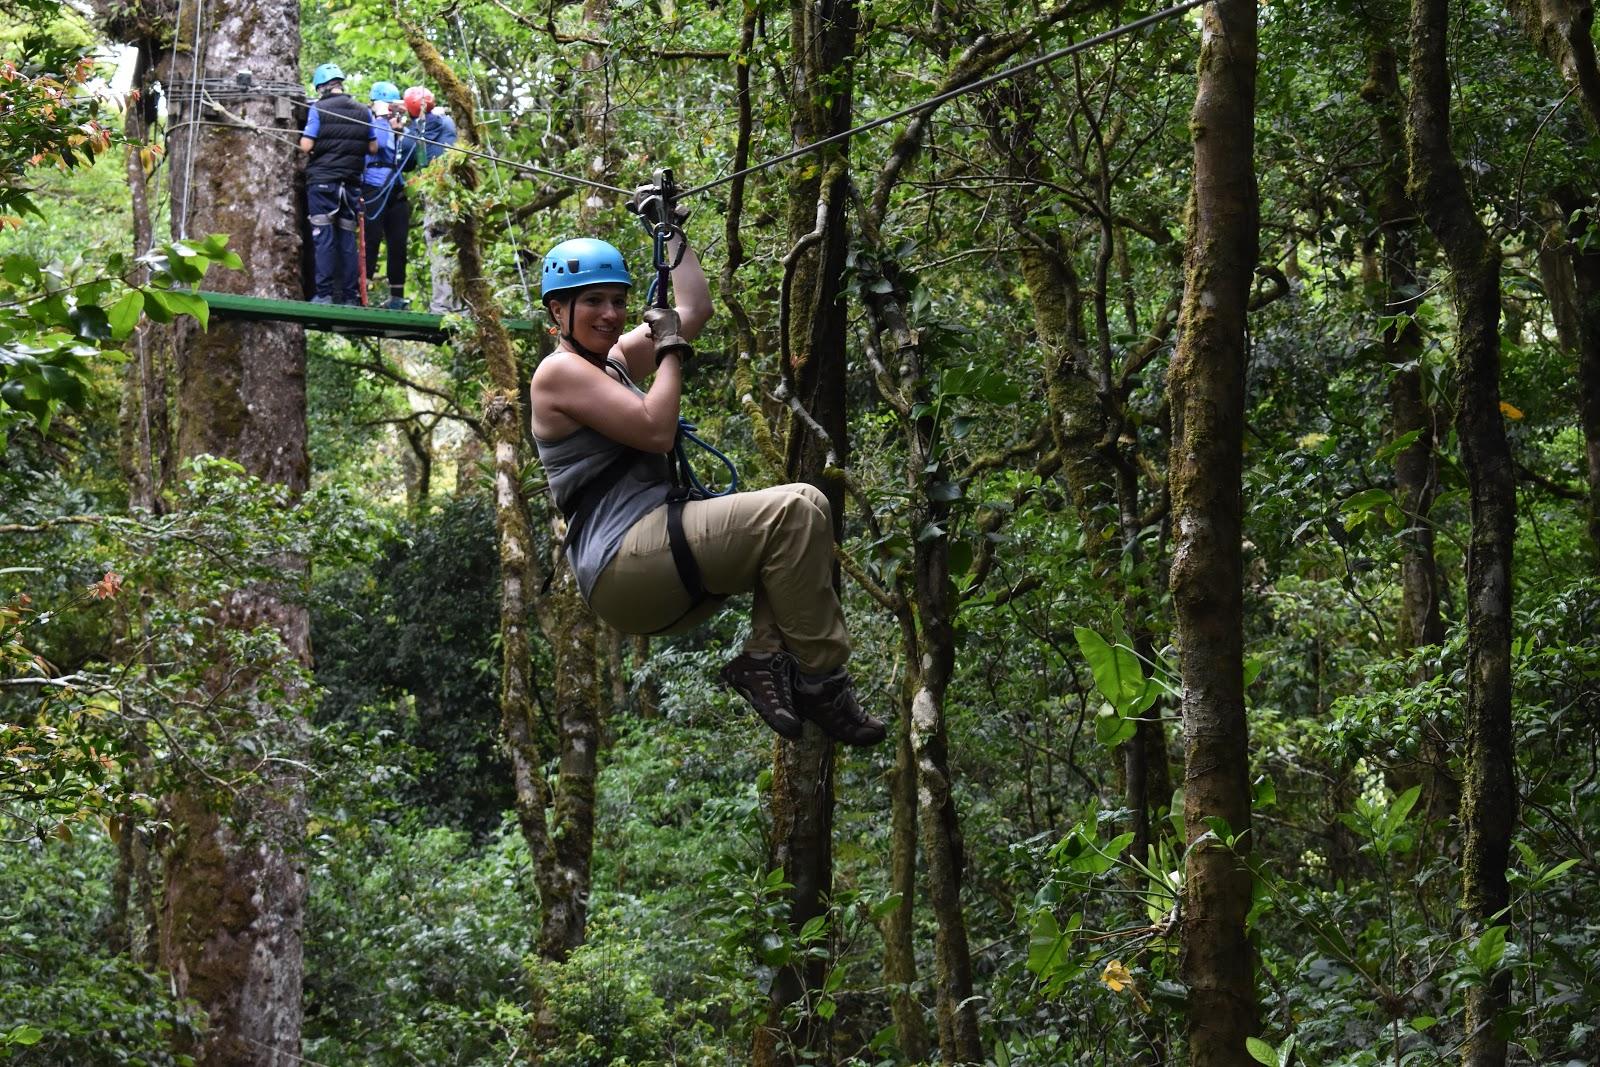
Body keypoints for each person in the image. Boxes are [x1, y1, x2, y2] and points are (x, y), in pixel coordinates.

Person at [528, 235, 885, 746]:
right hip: (622, 563)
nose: (610, 313)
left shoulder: (613, 364)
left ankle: (765, 660)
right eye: (593, 301)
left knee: (809, 504)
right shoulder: (557, 372)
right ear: (557, 310)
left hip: (656, 555)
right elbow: (656, 429)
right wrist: (670, 347)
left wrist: (671, 232)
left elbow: (695, 308)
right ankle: (822, 683)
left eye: (618, 300)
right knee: (790, 514)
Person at [299, 63, 376, 306]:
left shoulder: (318, 109)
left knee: (323, 235)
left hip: (324, 182)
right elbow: (373, 147)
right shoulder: (364, 111)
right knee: (346, 238)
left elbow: (306, 146)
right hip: (351, 183)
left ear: (321, 87)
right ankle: (350, 296)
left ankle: (324, 294)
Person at [401, 86, 461, 313]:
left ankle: (442, 306)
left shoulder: (417, 130)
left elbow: (405, 162)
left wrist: (405, 127)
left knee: (438, 243)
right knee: (455, 246)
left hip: (436, 193)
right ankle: (460, 305)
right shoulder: (447, 123)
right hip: (456, 191)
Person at [362, 81, 417, 310]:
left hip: (395, 188)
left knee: (398, 242)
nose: (397, 115)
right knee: (371, 240)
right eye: (392, 109)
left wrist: (407, 131)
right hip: (373, 186)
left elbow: (410, 161)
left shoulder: (397, 131)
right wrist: (384, 120)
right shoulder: (369, 121)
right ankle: (362, 292)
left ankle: (397, 296)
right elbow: (380, 144)